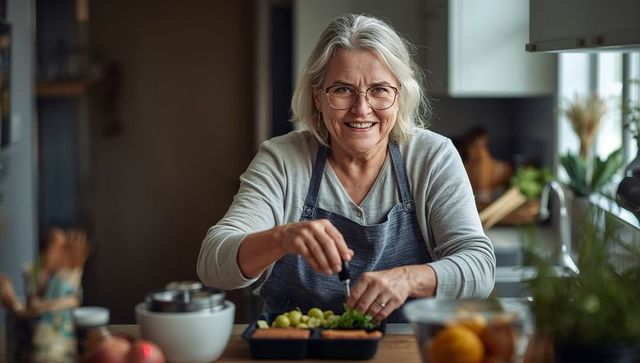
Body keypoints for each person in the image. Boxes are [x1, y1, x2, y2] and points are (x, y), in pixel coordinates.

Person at [197, 14, 495, 323]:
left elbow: (480, 268)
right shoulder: (282, 160)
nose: (362, 109)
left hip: (406, 348)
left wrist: (408, 278)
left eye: (380, 89)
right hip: (297, 351)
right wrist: (280, 238)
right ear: (318, 98)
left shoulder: (431, 156)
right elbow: (212, 266)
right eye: (342, 89)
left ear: (400, 95)